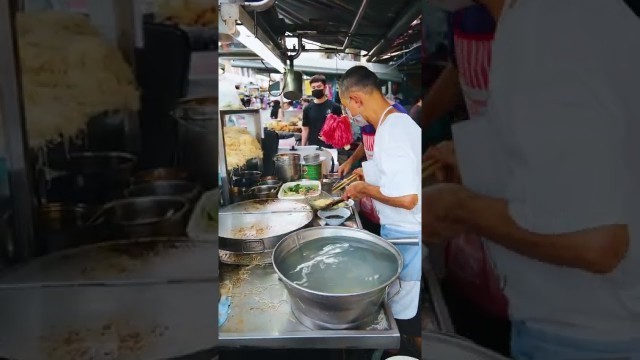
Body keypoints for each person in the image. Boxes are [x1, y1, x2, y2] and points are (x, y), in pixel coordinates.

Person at [424, 1, 640, 359]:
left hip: (591, 339)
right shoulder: (540, 17)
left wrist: (457, 208)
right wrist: (476, 157)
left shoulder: (548, 26)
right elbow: (581, 162)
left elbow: (597, 242)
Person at [423, 0, 511, 356]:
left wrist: (482, 152)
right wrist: (417, 120)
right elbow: (462, 72)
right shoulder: (460, 11)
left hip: (538, 203)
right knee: (470, 321)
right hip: (479, 186)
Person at [339, 66, 421, 357]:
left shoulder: (395, 129)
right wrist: (366, 172)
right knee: (400, 305)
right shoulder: (392, 124)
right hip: (399, 231)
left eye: (348, 108)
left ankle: (404, 352)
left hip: (408, 236)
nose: (350, 117)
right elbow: (397, 175)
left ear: (357, 99)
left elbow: (409, 198)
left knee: (404, 312)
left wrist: (363, 190)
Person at [302, 74, 342, 147]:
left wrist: (331, 139)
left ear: (325, 87)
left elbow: (340, 129)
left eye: (319, 86)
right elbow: (305, 129)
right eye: (313, 87)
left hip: (330, 147)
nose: (316, 89)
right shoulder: (307, 108)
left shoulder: (335, 107)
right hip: (312, 147)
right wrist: (303, 147)